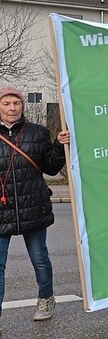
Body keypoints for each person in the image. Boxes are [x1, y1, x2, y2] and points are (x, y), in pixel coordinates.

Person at [0, 85, 70, 322]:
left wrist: (60, 146)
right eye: (6, 104)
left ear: (22, 105)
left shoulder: (38, 132)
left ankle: (46, 297)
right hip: (1, 211)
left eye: (16, 103)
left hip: (34, 207)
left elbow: (50, 168)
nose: (12, 108)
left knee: (40, 259)